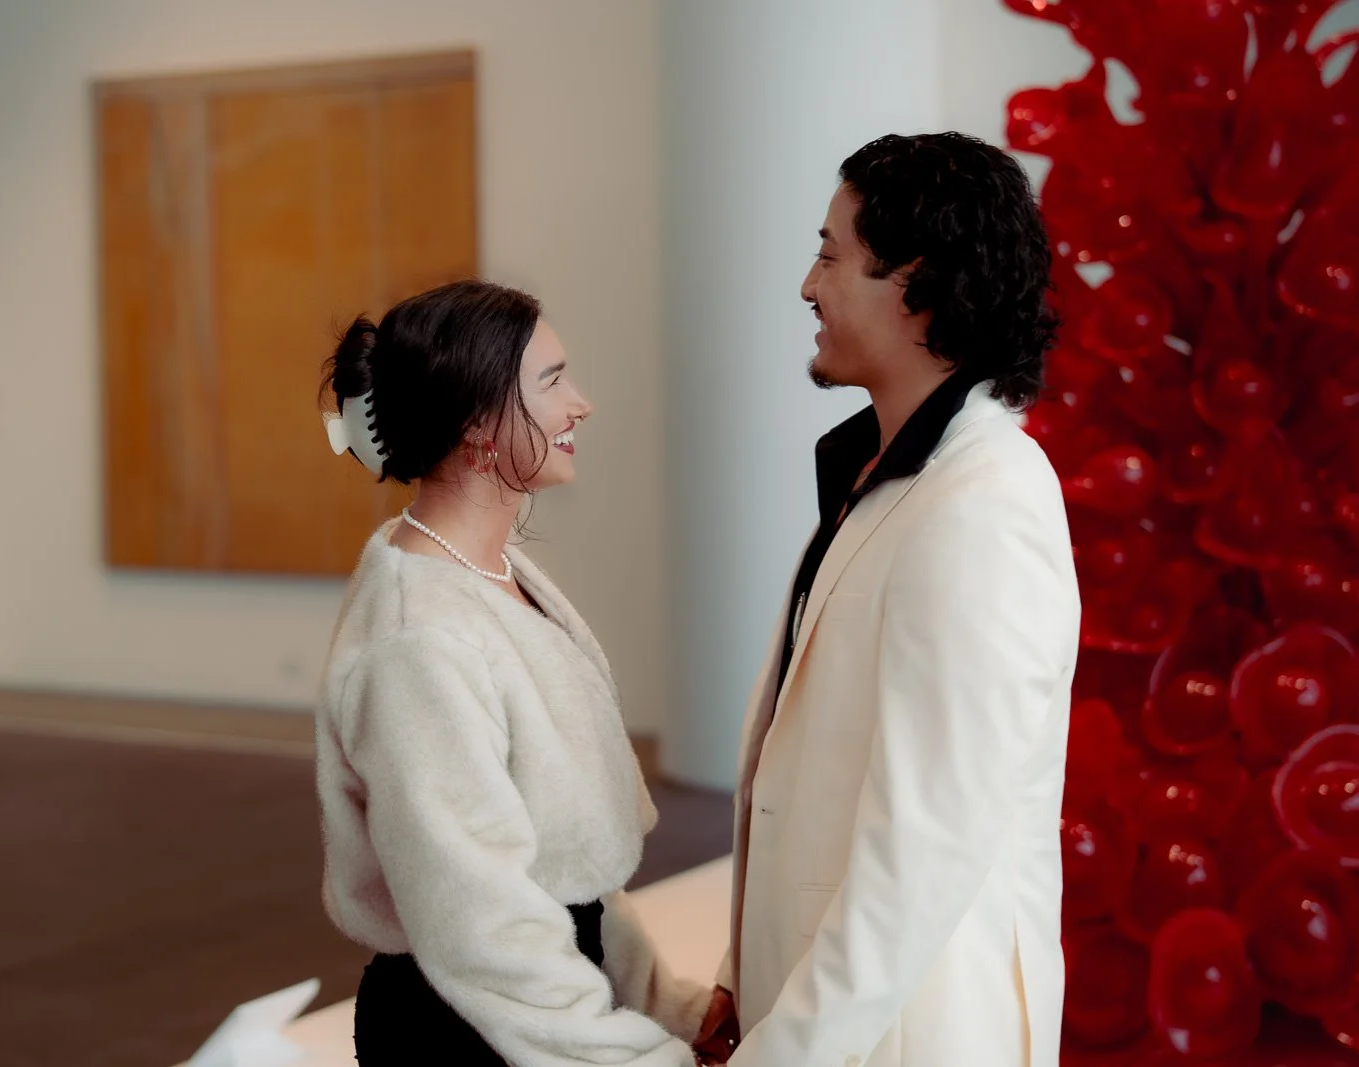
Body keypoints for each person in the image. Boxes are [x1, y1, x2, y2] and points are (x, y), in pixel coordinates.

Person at [699, 133, 1081, 1067]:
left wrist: (781, 1053)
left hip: (912, 1027)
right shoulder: (879, 469)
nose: (806, 286)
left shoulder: (983, 501)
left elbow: (925, 848)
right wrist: (738, 972)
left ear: (914, 283)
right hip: (833, 1008)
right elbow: (810, 772)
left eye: (830, 255)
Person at [314, 279, 711, 1066]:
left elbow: (564, 874)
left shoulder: (490, 572)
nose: (581, 404)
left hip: (540, 1009)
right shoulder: (419, 642)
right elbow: (480, 920)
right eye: (553, 380)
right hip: (473, 1034)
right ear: (477, 423)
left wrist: (670, 1008)